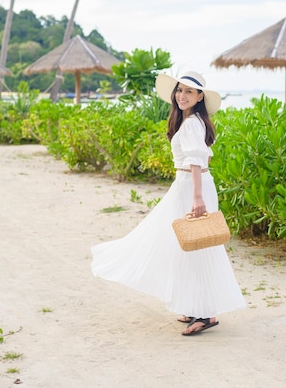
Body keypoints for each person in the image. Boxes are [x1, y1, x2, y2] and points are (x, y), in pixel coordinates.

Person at [91, 71, 245, 336]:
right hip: (187, 185)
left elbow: (197, 161)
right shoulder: (190, 121)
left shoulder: (193, 123)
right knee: (181, 245)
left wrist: (197, 197)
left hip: (192, 188)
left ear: (199, 97)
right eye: (179, 90)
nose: (182, 96)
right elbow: (202, 159)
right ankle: (195, 305)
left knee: (197, 247)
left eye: (189, 92)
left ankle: (206, 314)